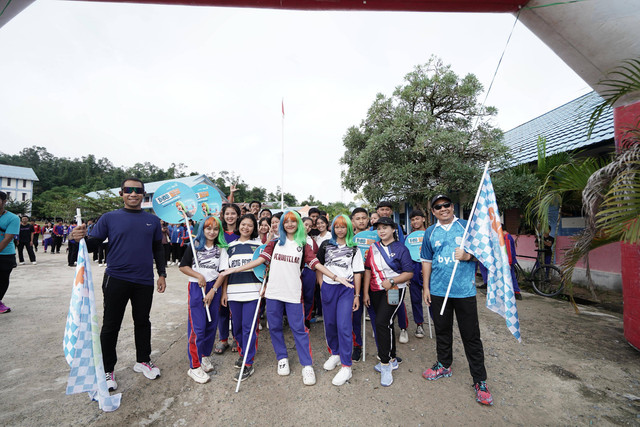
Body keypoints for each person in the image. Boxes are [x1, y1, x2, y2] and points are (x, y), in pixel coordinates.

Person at [70, 178, 167, 392]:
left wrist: (162, 274)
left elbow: (158, 249)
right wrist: (80, 238)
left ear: (143, 194)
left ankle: (143, 360)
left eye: (138, 190)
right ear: (121, 193)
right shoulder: (109, 218)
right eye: (128, 190)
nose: (133, 194)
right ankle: (107, 370)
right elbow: (94, 244)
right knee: (111, 325)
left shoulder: (152, 220)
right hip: (116, 279)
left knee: (143, 321)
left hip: (143, 281)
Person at [221, 210, 338, 386]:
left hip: (293, 294)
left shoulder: (303, 244)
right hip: (273, 294)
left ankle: (307, 366)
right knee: (274, 327)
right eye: (286, 221)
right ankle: (281, 358)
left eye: (293, 221)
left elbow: (316, 264)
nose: (290, 224)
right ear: (282, 224)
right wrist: (235, 269)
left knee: (299, 329)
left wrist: (336, 278)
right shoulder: (274, 243)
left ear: (298, 223)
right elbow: (260, 261)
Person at [420, 194, 493, 406]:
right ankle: (444, 364)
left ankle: (480, 380)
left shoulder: (467, 227)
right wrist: (426, 287)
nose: (443, 209)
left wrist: (468, 256)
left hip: (464, 292)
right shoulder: (430, 232)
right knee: (442, 330)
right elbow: (426, 260)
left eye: (446, 205)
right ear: (433, 212)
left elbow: (485, 252)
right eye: (438, 207)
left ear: (453, 207)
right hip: (439, 291)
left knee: (471, 336)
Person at [363, 216, 413, 387]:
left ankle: (385, 364)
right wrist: (365, 293)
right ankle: (392, 359)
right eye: (379, 228)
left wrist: (392, 281)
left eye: (385, 227)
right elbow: (368, 270)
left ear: (393, 229)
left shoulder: (401, 249)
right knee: (388, 324)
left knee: (382, 322)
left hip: (394, 291)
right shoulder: (373, 248)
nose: (382, 231)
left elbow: (409, 273)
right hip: (374, 291)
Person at [178, 215, 228, 384]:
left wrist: (214, 290)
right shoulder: (194, 247)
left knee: (210, 326)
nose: (211, 232)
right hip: (196, 287)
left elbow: (222, 272)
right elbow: (183, 267)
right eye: (208, 228)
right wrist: (198, 275)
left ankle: (204, 356)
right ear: (202, 229)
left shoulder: (221, 249)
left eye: (215, 229)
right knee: (197, 328)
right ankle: (194, 366)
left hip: (214, 287)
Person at [316, 214, 364, 386]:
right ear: (333, 228)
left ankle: (346, 365)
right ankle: (335, 353)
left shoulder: (354, 248)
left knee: (344, 324)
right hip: (329, 287)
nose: (340, 230)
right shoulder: (326, 245)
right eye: (337, 226)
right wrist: (322, 285)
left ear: (348, 228)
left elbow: (358, 272)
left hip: (347, 289)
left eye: (343, 226)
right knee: (329, 324)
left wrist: (357, 295)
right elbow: (317, 265)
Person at [220, 214, 262, 381]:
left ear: (254, 228)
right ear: (239, 225)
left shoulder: (259, 246)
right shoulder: (230, 247)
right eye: (243, 224)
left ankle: (248, 363)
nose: (246, 228)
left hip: (253, 293)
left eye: (250, 225)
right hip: (233, 293)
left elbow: (265, 270)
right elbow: (225, 273)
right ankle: (243, 352)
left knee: (249, 328)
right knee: (236, 328)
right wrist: (224, 292)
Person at [376, 201, 410, 344]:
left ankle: (403, 328)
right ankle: (383, 331)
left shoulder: (397, 229)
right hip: (378, 279)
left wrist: (403, 276)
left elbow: (401, 249)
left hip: (395, 279)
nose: (384, 211)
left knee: (398, 304)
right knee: (382, 313)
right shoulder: (373, 231)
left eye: (387, 209)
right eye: (382, 209)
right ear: (377, 211)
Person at [214, 203, 241, 354]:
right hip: (221, 274)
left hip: (238, 274)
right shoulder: (218, 233)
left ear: (238, 215)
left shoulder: (242, 232)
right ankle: (223, 339)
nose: (230, 216)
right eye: (227, 214)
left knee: (236, 309)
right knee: (222, 309)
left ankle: (237, 338)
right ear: (223, 216)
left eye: (233, 213)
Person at [349, 207, 369, 361]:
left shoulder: (377, 235)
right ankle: (357, 345)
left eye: (364, 217)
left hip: (375, 282)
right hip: (355, 282)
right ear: (352, 221)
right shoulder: (348, 238)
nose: (361, 221)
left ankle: (388, 351)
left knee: (377, 316)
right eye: (358, 218)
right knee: (355, 316)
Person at [408, 209, 428, 338]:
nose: (415, 221)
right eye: (413, 219)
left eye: (417, 218)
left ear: (423, 219)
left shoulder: (430, 234)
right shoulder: (408, 238)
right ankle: (419, 324)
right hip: (413, 269)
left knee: (432, 298)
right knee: (415, 299)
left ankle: (438, 323)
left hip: (429, 267)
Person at [0, 191, 20, 314]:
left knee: (2, 279)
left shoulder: (13, 218)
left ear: (4, 201)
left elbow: (8, 238)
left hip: (5, 255)